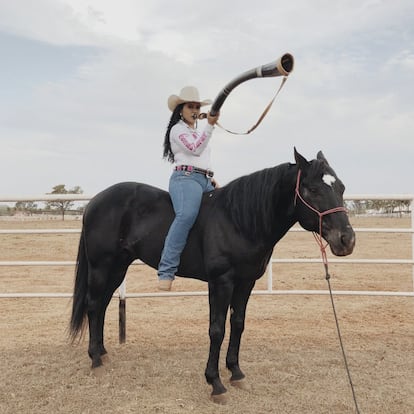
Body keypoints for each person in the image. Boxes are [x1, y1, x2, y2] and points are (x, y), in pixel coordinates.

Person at [158, 86, 220, 291]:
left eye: (196, 106)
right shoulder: (178, 130)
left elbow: (202, 156)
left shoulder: (193, 131)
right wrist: (209, 126)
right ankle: (166, 269)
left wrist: (210, 177)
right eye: (190, 106)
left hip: (203, 179)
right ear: (180, 110)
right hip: (185, 179)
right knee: (186, 215)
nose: (194, 110)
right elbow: (195, 149)